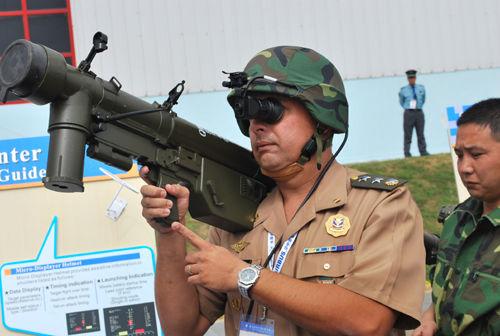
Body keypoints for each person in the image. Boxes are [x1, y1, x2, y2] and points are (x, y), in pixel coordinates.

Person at [140, 46, 426, 335]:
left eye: (271, 111)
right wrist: (168, 230)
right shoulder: (238, 212)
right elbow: (182, 327)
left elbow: (369, 322)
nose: (256, 128)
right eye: (249, 117)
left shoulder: (381, 205)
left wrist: (244, 276)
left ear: (323, 123)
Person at [413, 98, 500, 336]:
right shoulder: (458, 219)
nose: (464, 167)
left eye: (476, 154)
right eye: (460, 155)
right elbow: (447, 286)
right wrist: (429, 316)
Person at [399, 69, 430, 157]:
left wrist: (418, 107)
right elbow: (401, 102)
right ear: (407, 79)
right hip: (409, 113)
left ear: (415, 78)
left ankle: (423, 151)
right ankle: (407, 152)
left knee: (420, 133)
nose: (411, 79)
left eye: (413, 78)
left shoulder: (421, 88)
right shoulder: (403, 90)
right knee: (408, 134)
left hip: (419, 112)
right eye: (410, 78)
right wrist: (408, 108)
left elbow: (423, 99)